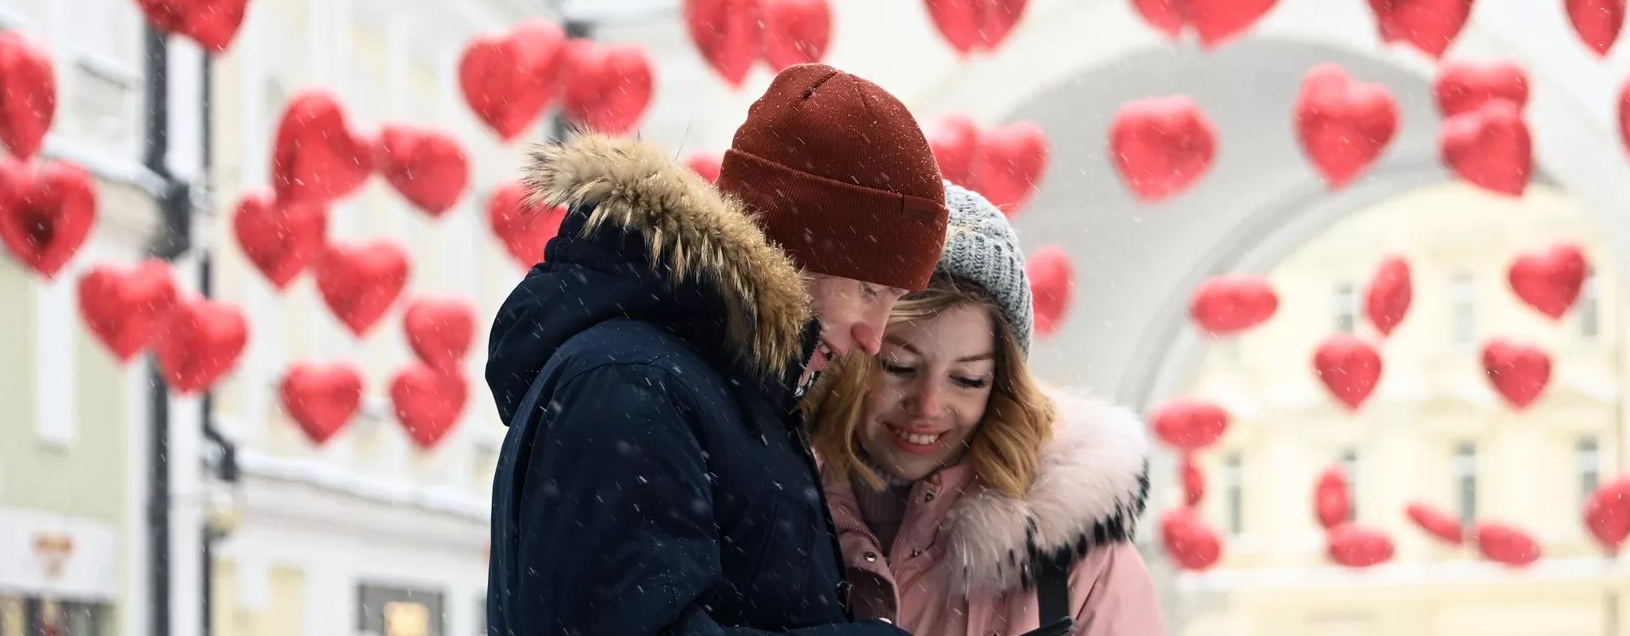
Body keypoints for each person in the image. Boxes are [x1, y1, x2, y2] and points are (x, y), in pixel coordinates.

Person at [483, 63, 951, 635]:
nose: (873, 337)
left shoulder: (721, 390)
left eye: (893, 299)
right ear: (789, 246)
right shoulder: (629, 383)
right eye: (867, 290)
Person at [808, 185, 1166, 636]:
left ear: (1001, 385)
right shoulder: (771, 515)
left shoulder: (1076, 557)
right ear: (853, 357)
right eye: (900, 367)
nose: (929, 405)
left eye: (968, 379)